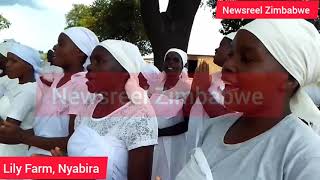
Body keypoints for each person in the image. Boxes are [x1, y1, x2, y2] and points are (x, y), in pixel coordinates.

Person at [176, 19, 320, 180]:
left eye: (247, 58)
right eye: (231, 55)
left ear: (289, 79)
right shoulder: (213, 128)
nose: (228, 65)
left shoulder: (304, 154)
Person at [52, 40, 158, 180]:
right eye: (91, 61)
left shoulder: (140, 116)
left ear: (125, 72)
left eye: (99, 61)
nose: (89, 66)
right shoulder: (89, 105)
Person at [0, 27, 99, 156]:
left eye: (61, 44)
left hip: (53, 161)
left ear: (79, 51)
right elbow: (44, 128)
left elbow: (75, 141)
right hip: (36, 156)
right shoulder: (58, 81)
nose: (55, 47)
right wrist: (15, 134)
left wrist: (22, 137)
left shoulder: (81, 85)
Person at [185, 32, 236, 153]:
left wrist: (202, 91)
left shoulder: (240, 83)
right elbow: (187, 111)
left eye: (221, 45)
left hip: (214, 149)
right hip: (194, 144)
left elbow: (230, 120)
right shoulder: (211, 77)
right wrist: (194, 90)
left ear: (233, 51)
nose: (216, 49)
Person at [150, 48, 191, 180]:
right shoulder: (155, 86)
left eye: (175, 60)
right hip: (152, 140)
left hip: (175, 141)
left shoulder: (187, 88)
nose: (170, 63)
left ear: (182, 64)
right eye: (167, 59)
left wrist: (160, 132)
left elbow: (187, 124)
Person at [0, 43, 41, 156]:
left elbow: (7, 132)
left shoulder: (28, 91)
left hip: (12, 154)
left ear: (29, 65)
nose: (7, 65)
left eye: (14, 61)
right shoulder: (23, 87)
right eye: (8, 60)